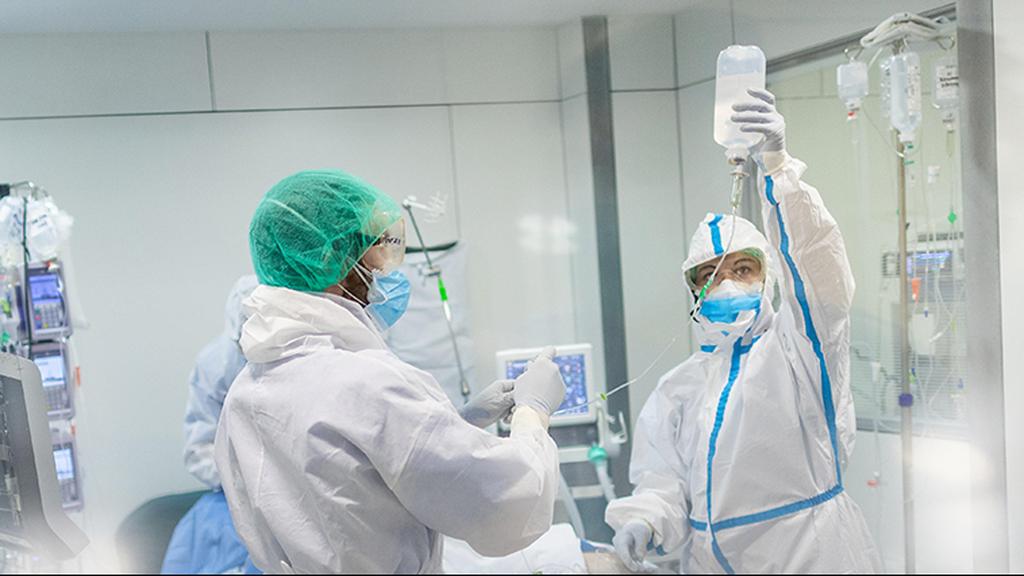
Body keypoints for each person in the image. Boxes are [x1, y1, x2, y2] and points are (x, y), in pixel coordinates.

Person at [215, 170, 567, 573]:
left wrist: (456, 422)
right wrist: (533, 414)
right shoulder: (366, 383)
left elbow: (355, 478)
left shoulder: (246, 391)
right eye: (377, 250)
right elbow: (504, 500)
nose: (386, 269)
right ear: (335, 260)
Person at [605, 89, 882, 573]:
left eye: (743, 268)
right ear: (694, 290)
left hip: (811, 559)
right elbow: (664, 480)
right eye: (710, 274)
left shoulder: (799, 351)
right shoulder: (680, 387)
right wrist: (645, 521)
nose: (727, 282)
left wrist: (779, 171)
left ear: (768, 277)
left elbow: (821, 276)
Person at [163, 275, 259, 574]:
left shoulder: (305, 363)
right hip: (230, 500)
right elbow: (198, 449)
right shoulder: (217, 364)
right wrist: (243, 482)